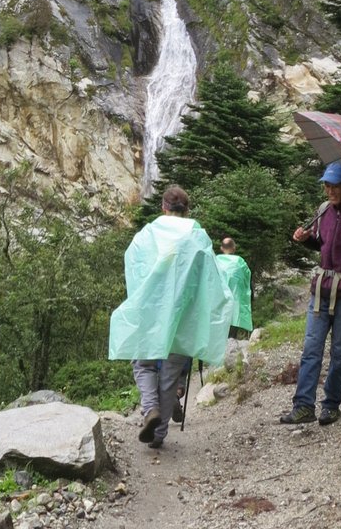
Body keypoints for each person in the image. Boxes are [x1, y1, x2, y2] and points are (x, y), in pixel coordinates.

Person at [108, 185, 233, 450]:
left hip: (152, 313)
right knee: (170, 375)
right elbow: (210, 278)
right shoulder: (197, 237)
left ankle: (150, 408)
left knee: (143, 364)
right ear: (186, 211)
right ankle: (159, 434)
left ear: (163, 208)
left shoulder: (147, 235)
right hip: (185, 317)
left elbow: (134, 267)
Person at [279, 161, 341, 426]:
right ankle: (303, 406)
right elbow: (322, 245)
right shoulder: (324, 211)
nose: (330, 191)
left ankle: (331, 405)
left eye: (335, 186)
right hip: (320, 294)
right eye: (326, 185)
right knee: (311, 350)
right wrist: (306, 240)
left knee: (339, 352)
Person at [215, 237, 253, 334]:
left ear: (221, 248)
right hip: (235, 300)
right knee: (234, 319)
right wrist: (251, 296)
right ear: (234, 248)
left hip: (219, 300)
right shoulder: (239, 261)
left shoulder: (216, 260)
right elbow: (248, 277)